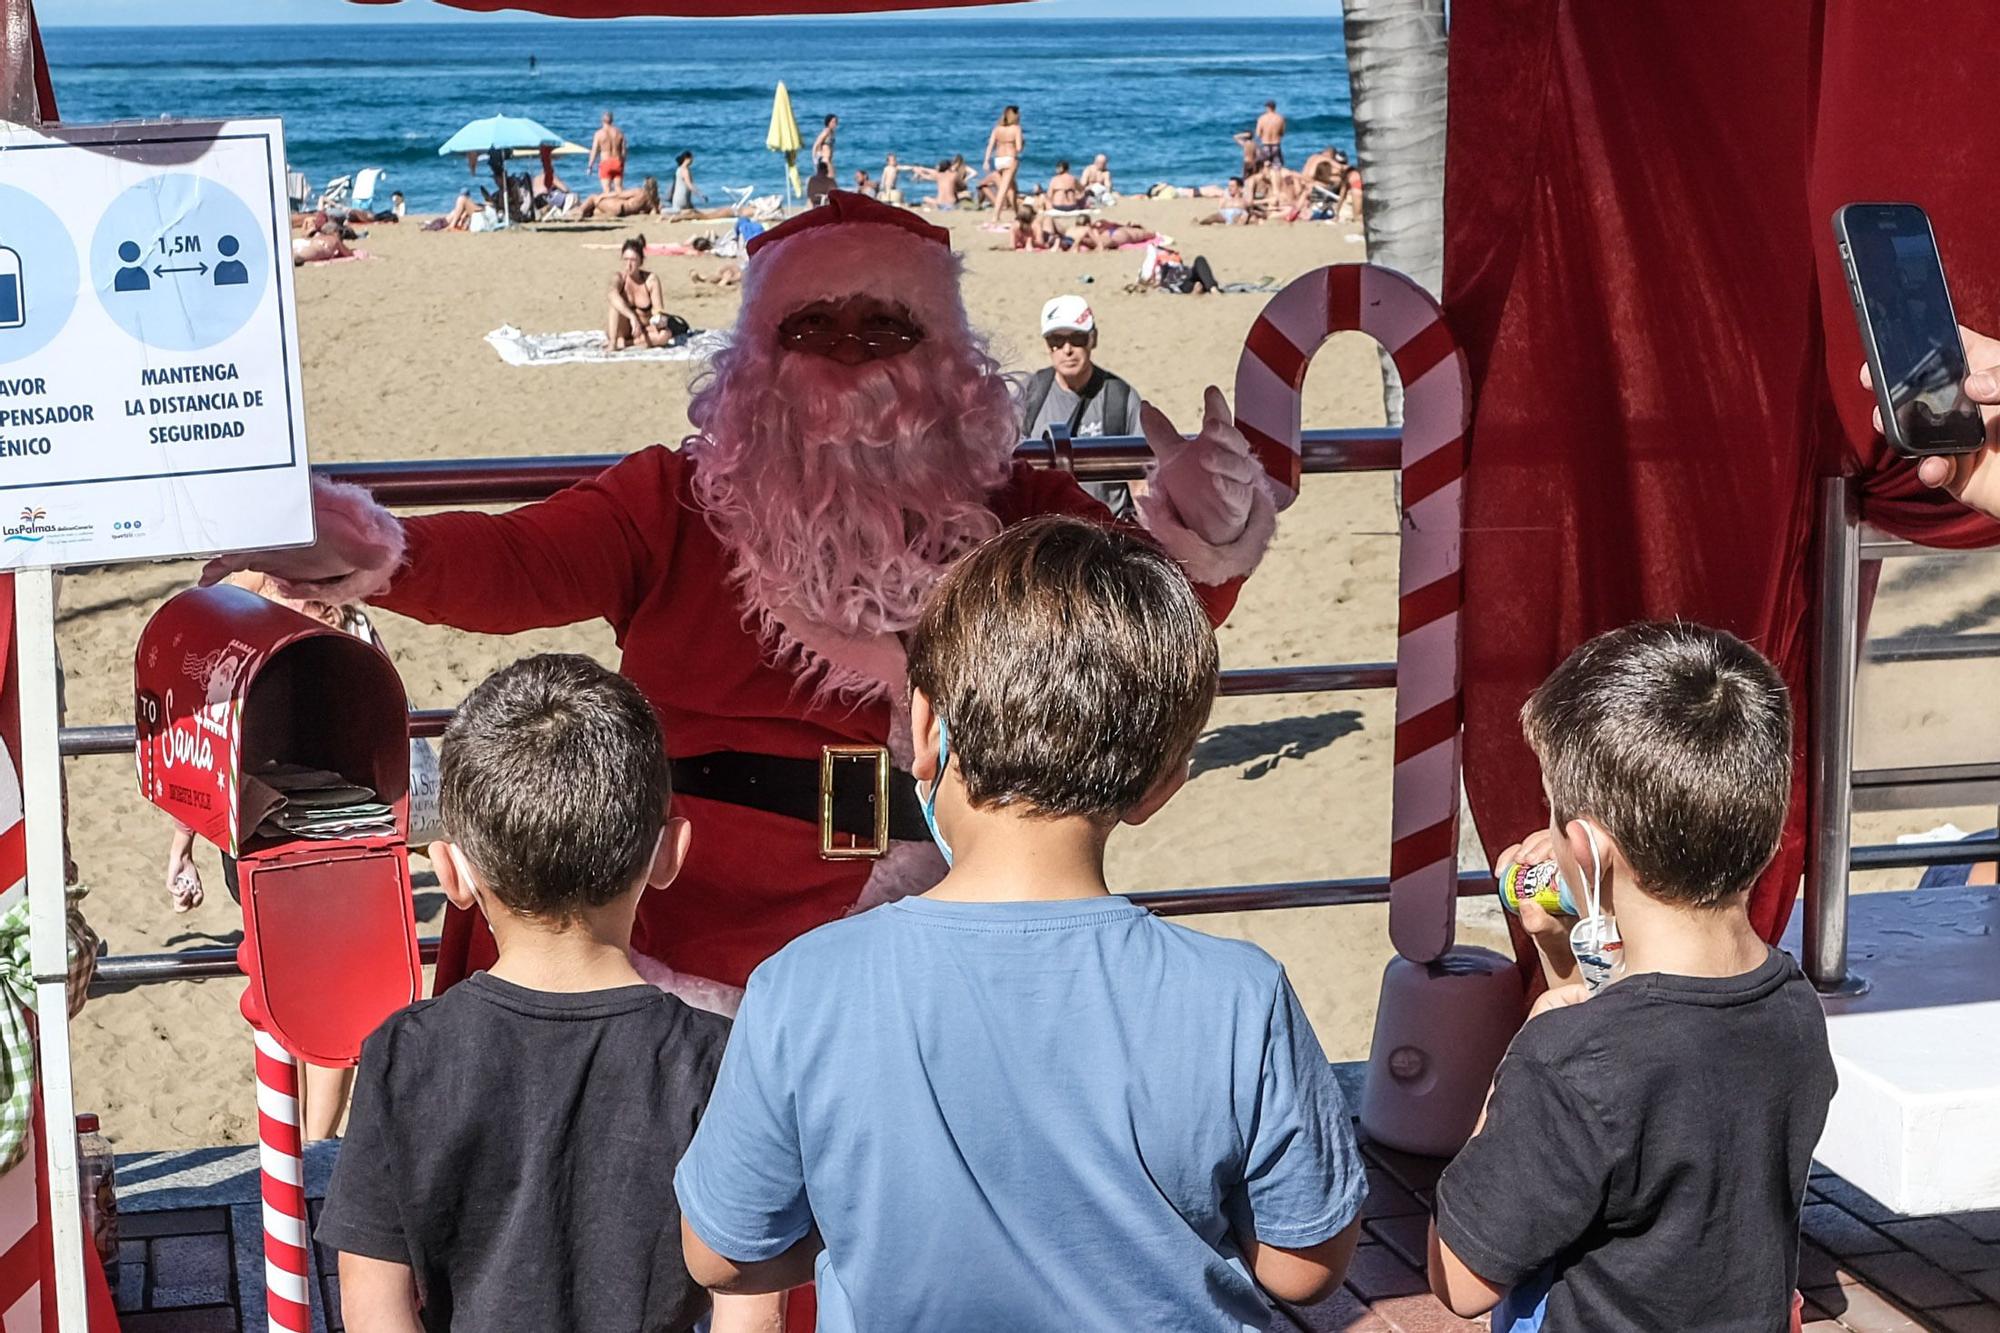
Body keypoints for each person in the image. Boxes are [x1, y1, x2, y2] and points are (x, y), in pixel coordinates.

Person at [202, 191, 1277, 1020]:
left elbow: (1135, 626)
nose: (850, 357)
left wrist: (1200, 532)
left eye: (887, 329)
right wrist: (383, 551)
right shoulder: (676, 499)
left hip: (923, 890)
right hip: (674, 905)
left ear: (947, 360)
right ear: (759, 356)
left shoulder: (1010, 507)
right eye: (814, 327)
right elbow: (514, 560)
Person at [675, 515, 1363, 1330]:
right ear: (1164, 784)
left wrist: (850, 1228)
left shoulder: (803, 985)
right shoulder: (1242, 997)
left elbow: (722, 1251)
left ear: (924, 729)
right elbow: (1304, 1264)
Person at [317, 654, 781, 1333]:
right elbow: (753, 1310)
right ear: (669, 853)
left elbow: (373, 1308)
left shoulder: (402, 1054)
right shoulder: (720, 1062)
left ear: (453, 871)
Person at [1427, 622, 1836, 1331]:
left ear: (1582, 848)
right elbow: (1664, 1046)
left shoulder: (1566, 1060)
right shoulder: (1794, 1005)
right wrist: (1561, 952)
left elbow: (1459, 1279)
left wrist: (1518, 1061)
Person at [1019, 295, 1143, 520]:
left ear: (1093, 339)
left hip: (1106, 532)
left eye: (1077, 338)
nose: (1067, 349)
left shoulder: (1120, 397)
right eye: (1056, 340)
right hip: (1045, 531)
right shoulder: (1030, 393)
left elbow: (1142, 483)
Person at [607, 235, 676, 351]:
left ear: (641, 261)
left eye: (633, 260)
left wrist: (658, 320)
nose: (629, 264)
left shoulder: (650, 280)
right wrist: (632, 317)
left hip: (643, 330)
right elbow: (611, 294)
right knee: (615, 302)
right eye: (626, 259)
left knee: (665, 335)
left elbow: (658, 309)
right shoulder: (619, 278)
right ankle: (614, 342)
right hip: (621, 329)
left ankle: (628, 343)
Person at [983, 104, 1024, 223]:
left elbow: (990, 145)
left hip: (998, 160)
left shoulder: (997, 129)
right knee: (1004, 188)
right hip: (1010, 159)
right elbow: (1019, 148)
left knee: (1012, 188)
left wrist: (986, 160)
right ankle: (995, 215)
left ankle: (1017, 213)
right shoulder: (1016, 128)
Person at [578, 177, 660, 219]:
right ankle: (587, 213)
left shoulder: (639, 192)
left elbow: (619, 194)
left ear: (645, 185)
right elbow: (653, 213)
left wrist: (603, 195)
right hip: (623, 214)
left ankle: (579, 212)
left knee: (593, 198)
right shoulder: (653, 202)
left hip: (619, 207)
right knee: (595, 211)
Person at [588, 111, 628, 194]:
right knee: (619, 189)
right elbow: (624, 151)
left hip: (605, 163)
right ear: (612, 120)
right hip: (617, 162)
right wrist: (622, 164)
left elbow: (594, 151)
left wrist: (590, 166)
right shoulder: (620, 133)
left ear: (602, 120)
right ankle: (620, 206)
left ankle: (610, 206)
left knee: (607, 190)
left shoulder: (599, 134)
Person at [1254, 99, 1286, 171]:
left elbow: (1258, 134)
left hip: (1265, 144)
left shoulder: (1261, 118)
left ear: (1267, 108)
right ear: (1275, 107)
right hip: (1276, 144)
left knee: (1264, 166)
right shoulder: (1280, 118)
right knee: (1277, 167)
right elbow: (1282, 133)